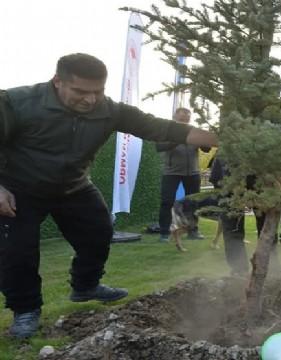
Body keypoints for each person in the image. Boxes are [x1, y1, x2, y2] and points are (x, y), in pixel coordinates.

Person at [0, 53, 219, 339]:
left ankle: (85, 285)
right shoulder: (17, 104)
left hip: (73, 186)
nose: (91, 100)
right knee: (18, 252)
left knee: (100, 231)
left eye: (98, 92)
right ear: (57, 82)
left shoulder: (110, 111)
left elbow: (161, 128)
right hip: (19, 189)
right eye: (80, 91)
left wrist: (225, 137)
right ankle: (26, 311)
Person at [156, 107, 211, 242]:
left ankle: (193, 231)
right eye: (181, 119)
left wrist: (203, 138)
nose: (184, 121)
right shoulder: (167, 130)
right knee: (167, 202)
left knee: (192, 203)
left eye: (187, 119)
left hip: (192, 173)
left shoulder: (193, 131)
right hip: (171, 173)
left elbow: (206, 148)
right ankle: (164, 233)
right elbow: (159, 146)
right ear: (174, 117)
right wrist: (180, 138)